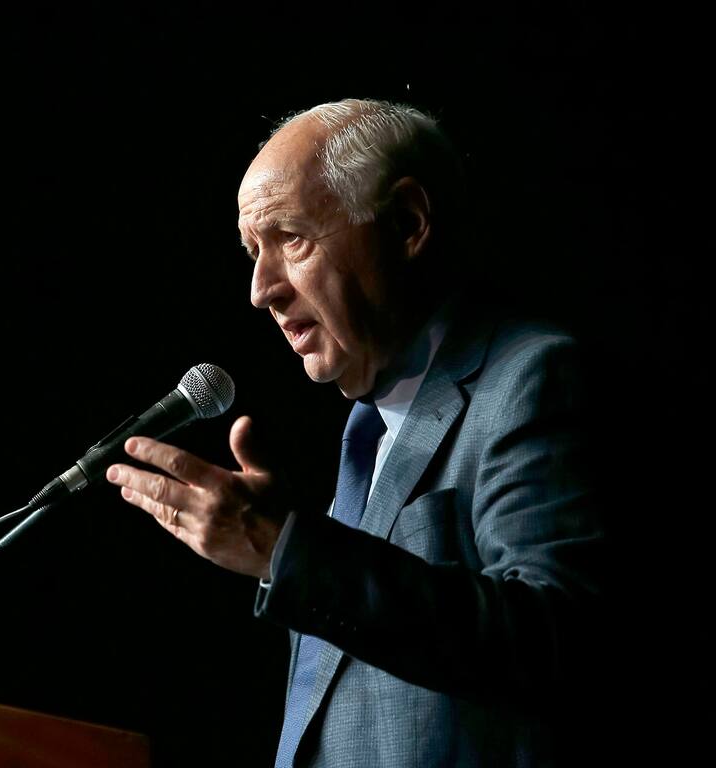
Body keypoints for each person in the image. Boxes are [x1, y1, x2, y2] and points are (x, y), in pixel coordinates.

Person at [104, 99, 604, 767]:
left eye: (291, 239)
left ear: (406, 222)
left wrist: (287, 551)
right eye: (254, 252)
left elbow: (558, 640)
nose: (261, 290)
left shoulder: (534, 379)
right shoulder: (364, 428)